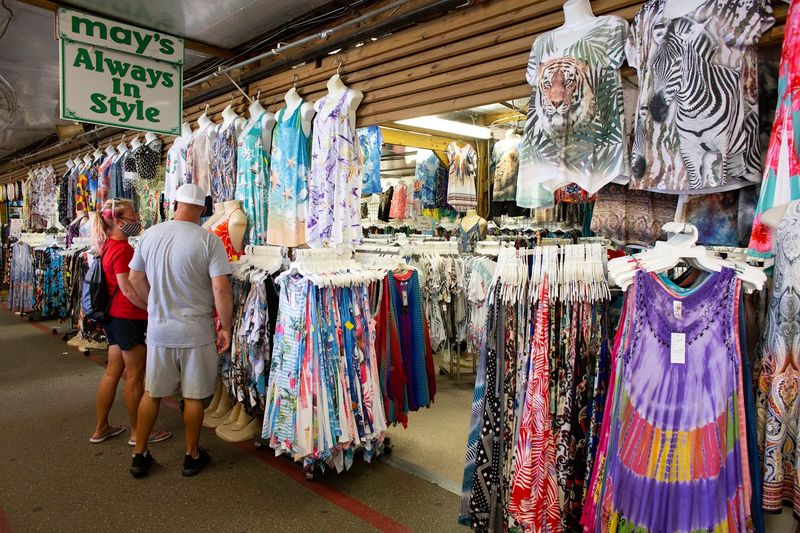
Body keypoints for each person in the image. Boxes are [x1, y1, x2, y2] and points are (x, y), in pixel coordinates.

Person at [128, 184, 233, 478]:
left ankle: (139, 454)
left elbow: (135, 278)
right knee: (194, 396)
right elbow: (221, 289)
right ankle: (191, 455)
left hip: (160, 330)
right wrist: (225, 326)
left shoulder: (150, 235)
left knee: (153, 393)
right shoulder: (208, 241)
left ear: (174, 203)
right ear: (202, 209)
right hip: (196, 331)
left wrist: (153, 304)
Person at [89, 198, 171, 447]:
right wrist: (151, 308)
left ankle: (101, 427)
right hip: (127, 318)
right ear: (118, 219)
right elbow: (128, 287)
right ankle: (138, 432)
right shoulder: (123, 249)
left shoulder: (107, 246)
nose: (136, 217)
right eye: (132, 213)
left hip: (113, 318)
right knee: (135, 376)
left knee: (113, 372)